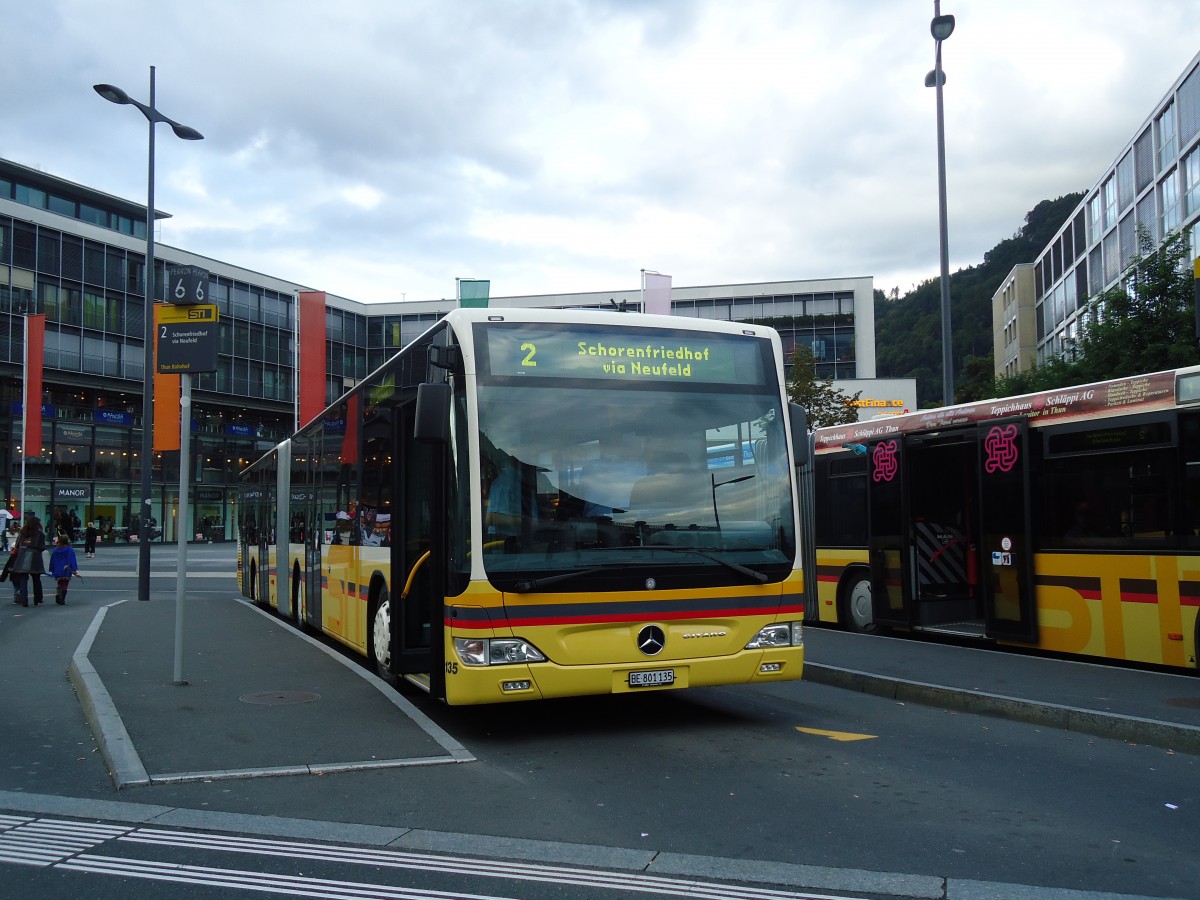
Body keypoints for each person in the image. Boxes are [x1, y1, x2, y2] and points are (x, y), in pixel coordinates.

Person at [11, 516, 47, 608]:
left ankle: (24, 600)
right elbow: (42, 547)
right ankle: (38, 598)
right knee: (36, 578)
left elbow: (17, 545)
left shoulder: (22, 534)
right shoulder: (40, 534)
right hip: (35, 557)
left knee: (23, 578)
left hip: (22, 555)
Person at [48, 535, 79, 605]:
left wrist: (52, 568)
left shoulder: (56, 550)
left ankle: (59, 594)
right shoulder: (69, 550)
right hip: (66, 569)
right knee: (65, 583)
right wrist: (74, 569)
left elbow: (52, 560)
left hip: (58, 569)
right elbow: (72, 560)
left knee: (60, 582)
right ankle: (62, 598)